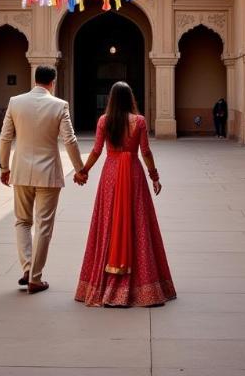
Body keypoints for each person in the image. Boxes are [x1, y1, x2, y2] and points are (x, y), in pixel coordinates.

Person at [75, 81, 176, 307]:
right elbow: (146, 151)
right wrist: (154, 176)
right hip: (132, 173)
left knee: (109, 222)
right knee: (137, 222)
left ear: (111, 99)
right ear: (130, 98)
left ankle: (106, 284)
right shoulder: (138, 121)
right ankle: (144, 287)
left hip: (110, 174)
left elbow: (96, 150)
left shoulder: (104, 121)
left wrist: (83, 171)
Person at [0, 64, 86, 295]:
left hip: (21, 171)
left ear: (35, 79)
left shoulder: (15, 102)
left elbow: (5, 137)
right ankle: (35, 278)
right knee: (44, 225)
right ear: (52, 82)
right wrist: (80, 169)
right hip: (48, 173)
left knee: (22, 221)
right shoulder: (59, 106)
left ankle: (28, 268)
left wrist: (4, 167)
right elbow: (70, 140)